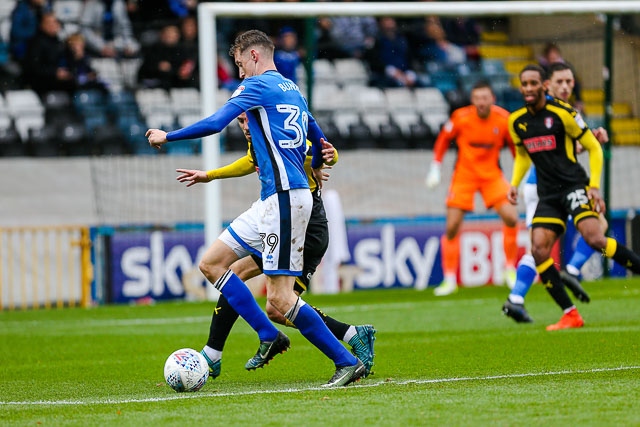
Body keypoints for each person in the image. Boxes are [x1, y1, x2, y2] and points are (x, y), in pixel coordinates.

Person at [146, 30, 366, 387]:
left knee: (279, 298)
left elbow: (216, 123)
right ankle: (267, 335)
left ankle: (345, 360)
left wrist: (167, 136)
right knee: (212, 263)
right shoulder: (292, 89)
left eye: (239, 65)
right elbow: (319, 138)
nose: (240, 73)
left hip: (285, 197)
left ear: (252, 55)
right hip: (271, 198)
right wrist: (324, 155)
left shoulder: (256, 87)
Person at [175, 112, 376, 380]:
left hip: (305, 228)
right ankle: (213, 353)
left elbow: (325, 150)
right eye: (241, 122)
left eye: (248, 120)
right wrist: (210, 175)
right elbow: (250, 161)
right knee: (239, 280)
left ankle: (345, 350)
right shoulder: (257, 138)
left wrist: (324, 159)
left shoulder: (280, 134)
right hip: (279, 217)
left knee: (278, 303)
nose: (245, 126)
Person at [506, 64, 640, 331]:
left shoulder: (564, 113)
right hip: (547, 194)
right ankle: (570, 314)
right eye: (525, 84)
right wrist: (513, 183)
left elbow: (593, 147)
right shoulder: (516, 121)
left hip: (572, 187)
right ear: (521, 88)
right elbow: (523, 155)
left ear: (543, 86)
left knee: (595, 237)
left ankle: (577, 271)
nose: (529, 89)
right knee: (539, 249)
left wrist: (594, 186)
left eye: (534, 83)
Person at [426, 80, 520, 296]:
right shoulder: (461, 117)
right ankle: (449, 279)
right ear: (472, 100)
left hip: (492, 176)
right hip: (464, 175)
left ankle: (509, 269)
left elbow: (516, 148)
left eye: (485, 98)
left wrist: (518, 178)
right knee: (452, 226)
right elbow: (443, 140)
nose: (481, 102)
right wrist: (435, 168)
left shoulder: (504, 119)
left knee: (511, 218)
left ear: (492, 99)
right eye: (477, 98)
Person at [22, 12, 75, 95]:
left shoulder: (59, 41)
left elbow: (70, 60)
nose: (53, 25)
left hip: (60, 80)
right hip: (44, 84)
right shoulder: (37, 42)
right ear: (41, 25)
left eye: (55, 22)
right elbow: (34, 67)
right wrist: (54, 72)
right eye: (49, 23)